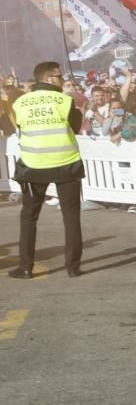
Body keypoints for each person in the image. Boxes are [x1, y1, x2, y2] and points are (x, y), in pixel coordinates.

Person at [8, 61, 84, 279]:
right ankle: (73, 266)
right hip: (65, 163)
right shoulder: (65, 100)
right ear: (50, 78)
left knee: (29, 216)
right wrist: (75, 106)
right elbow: (76, 127)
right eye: (60, 77)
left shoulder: (20, 102)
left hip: (34, 166)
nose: (62, 81)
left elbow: (21, 127)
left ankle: (25, 267)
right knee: (71, 217)